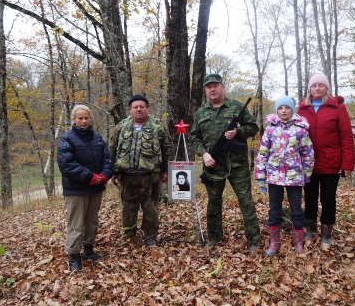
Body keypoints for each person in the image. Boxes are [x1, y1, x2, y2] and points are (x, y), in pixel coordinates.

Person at [190, 73, 260, 254]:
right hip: (213, 165)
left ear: (223, 87)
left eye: (215, 85)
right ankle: (214, 236)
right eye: (208, 87)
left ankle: (253, 239)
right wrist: (204, 154)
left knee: (246, 202)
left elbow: (253, 127)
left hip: (238, 165)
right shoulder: (201, 113)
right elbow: (195, 137)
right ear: (205, 90)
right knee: (213, 202)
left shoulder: (237, 107)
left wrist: (238, 132)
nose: (212, 89)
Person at [298, 73, 355, 249]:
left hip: (331, 162)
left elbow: (346, 136)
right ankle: (309, 229)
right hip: (308, 163)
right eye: (314, 85)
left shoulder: (337, 107)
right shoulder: (302, 109)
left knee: (328, 198)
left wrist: (347, 164)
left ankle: (326, 233)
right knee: (310, 197)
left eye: (320, 85)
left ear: (326, 88)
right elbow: (295, 136)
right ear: (309, 88)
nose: (317, 88)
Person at [109, 94, 174, 246]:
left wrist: (166, 172)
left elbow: (168, 150)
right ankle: (129, 236)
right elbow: (112, 149)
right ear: (130, 110)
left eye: (142, 107)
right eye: (135, 107)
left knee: (150, 209)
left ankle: (150, 237)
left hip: (151, 177)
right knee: (128, 210)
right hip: (127, 177)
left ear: (147, 109)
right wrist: (112, 171)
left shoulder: (158, 126)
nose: (139, 109)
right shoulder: (121, 126)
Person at [255, 96, 314, 256]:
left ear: (292, 109)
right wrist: (261, 175)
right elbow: (262, 153)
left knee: (297, 210)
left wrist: (306, 175)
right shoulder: (270, 129)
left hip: (294, 177)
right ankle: (274, 242)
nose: (283, 111)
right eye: (280, 108)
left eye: (286, 108)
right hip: (274, 177)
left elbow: (307, 153)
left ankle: (298, 242)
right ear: (277, 110)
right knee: (274, 210)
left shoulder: (301, 129)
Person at [57, 104, 114, 272]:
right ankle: (74, 255)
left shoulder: (97, 138)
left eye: (86, 117)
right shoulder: (67, 139)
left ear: (90, 118)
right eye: (80, 118)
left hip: (95, 189)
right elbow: (67, 164)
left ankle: (88, 250)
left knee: (92, 222)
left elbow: (107, 159)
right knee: (76, 223)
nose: (83, 121)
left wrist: (104, 175)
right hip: (76, 190)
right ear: (74, 120)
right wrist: (91, 177)